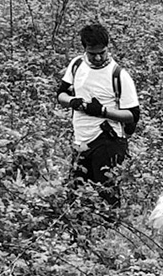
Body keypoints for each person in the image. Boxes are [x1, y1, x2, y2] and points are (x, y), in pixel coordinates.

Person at [54, 23, 141, 207]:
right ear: (85, 49)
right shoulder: (77, 65)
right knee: (74, 197)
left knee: (108, 196)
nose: (99, 57)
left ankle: (111, 232)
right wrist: (72, 101)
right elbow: (61, 94)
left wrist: (102, 111)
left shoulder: (119, 75)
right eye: (93, 53)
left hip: (107, 140)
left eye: (103, 52)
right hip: (81, 141)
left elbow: (133, 115)